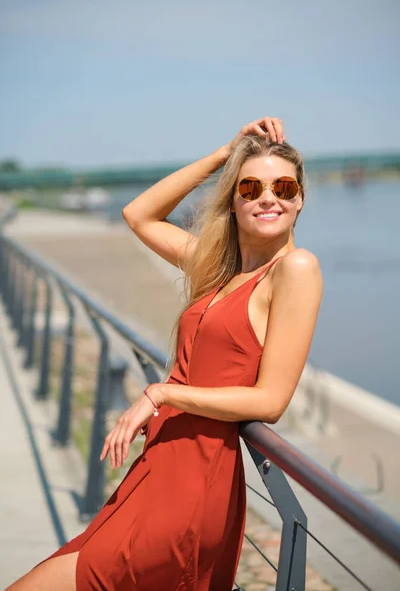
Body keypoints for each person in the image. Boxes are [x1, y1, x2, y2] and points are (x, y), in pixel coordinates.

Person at [7, 116, 323, 590]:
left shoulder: (295, 269)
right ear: (233, 200)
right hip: (157, 466)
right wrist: (223, 155)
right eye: (250, 185)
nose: (268, 197)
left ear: (300, 201)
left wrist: (163, 394)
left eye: (284, 187)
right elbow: (138, 214)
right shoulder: (219, 270)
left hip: (195, 483)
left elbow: (270, 402)